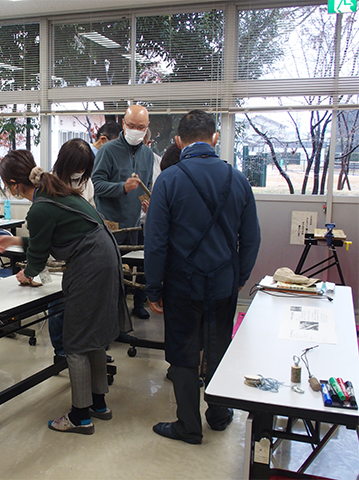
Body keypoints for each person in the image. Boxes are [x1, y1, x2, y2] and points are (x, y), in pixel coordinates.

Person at [144, 110, 261, 444]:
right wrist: (240, 276)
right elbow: (251, 238)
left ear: (179, 141)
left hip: (182, 285)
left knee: (183, 353)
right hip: (223, 283)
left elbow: (156, 243)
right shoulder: (238, 179)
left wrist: (154, 287)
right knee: (218, 348)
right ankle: (219, 415)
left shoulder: (167, 180)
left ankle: (188, 426)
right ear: (214, 139)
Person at [0, 149, 129, 435]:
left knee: (76, 340)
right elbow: (50, 236)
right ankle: (98, 404)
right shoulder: (54, 192)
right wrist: (14, 241)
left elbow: (39, 255)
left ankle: (80, 416)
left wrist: (27, 274)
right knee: (91, 338)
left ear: (15, 184)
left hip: (90, 263)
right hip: (103, 257)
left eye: (7, 184)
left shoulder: (41, 206)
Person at [92, 105, 154, 320]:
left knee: (140, 268)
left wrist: (148, 202)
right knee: (110, 274)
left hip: (135, 223)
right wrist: (121, 187)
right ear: (123, 125)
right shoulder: (107, 150)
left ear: (147, 128)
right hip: (112, 225)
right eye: (132, 126)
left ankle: (137, 305)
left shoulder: (147, 154)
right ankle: (110, 316)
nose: (136, 130)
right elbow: (96, 185)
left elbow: (146, 185)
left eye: (141, 127)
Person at [48, 138, 97, 358]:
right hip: (59, 252)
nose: (80, 172)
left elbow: (93, 212)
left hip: (84, 254)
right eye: (76, 167)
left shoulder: (87, 182)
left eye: (84, 168)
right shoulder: (50, 184)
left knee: (84, 306)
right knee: (58, 305)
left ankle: (84, 349)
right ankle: (60, 350)